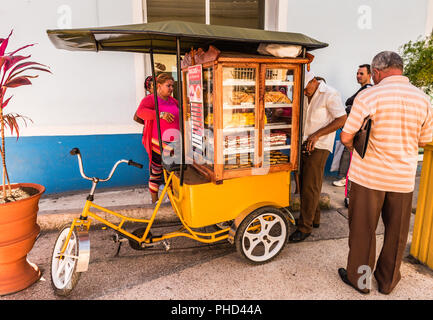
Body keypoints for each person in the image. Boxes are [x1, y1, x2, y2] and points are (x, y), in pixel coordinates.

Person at [338, 51, 433, 294]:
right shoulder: (423, 99)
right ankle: (388, 283)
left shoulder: (369, 95)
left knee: (363, 231)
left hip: (369, 177)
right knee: (397, 234)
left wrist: (354, 147)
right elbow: (425, 140)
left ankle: (360, 282)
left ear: (377, 72)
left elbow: (347, 136)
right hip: (402, 180)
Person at [289, 72, 347, 242]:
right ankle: (314, 219)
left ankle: (304, 227)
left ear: (314, 81)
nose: (304, 91)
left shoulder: (330, 93)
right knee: (307, 183)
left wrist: (316, 135)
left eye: (306, 87)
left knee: (310, 186)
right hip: (304, 142)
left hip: (320, 145)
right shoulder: (305, 92)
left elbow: (342, 119)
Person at [134, 73, 180, 203]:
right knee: (156, 173)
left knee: (172, 174)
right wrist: (160, 114)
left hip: (174, 144)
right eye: (168, 86)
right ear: (159, 86)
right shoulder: (151, 99)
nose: (171, 88)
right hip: (158, 144)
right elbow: (140, 113)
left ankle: (173, 200)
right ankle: (154, 201)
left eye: (172, 86)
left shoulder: (172, 100)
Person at [333, 64, 372, 187]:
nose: (358, 76)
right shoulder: (364, 89)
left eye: (361, 73)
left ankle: (345, 177)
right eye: (357, 73)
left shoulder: (368, 90)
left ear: (370, 75)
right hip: (355, 127)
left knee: (348, 150)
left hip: (359, 129)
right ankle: (347, 177)